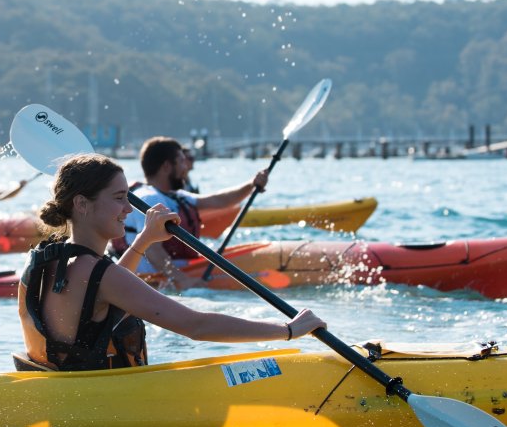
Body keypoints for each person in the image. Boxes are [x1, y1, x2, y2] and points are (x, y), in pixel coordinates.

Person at [18, 153, 325, 371]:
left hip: (64, 393)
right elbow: (197, 325)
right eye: (119, 198)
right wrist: (288, 330)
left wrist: (144, 241)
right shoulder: (103, 275)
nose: (128, 208)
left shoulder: (45, 263)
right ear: (82, 204)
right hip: (101, 403)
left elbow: (100, 296)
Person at [111, 136, 267, 290]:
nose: (186, 167)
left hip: (178, 270)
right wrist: (182, 280)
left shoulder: (175, 195)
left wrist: (252, 185)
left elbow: (219, 201)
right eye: (180, 161)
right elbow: (152, 250)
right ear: (166, 166)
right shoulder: (149, 199)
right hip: (151, 279)